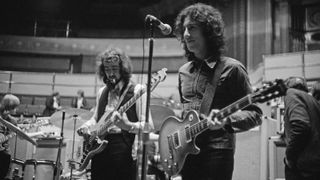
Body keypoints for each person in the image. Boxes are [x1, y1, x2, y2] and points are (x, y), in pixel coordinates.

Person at [174, 3, 262, 180]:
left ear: (208, 31)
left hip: (218, 150)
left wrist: (227, 120)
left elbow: (255, 114)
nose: (186, 34)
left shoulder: (233, 69)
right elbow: (184, 115)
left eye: (191, 28)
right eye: (183, 29)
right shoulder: (183, 71)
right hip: (186, 153)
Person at [77, 47, 154, 180]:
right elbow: (96, 119)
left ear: (123, 69)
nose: (110, 74)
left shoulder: (138, 90)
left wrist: (128, 125)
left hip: (124, 150)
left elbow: (150, 126)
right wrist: (87, 126)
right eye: (107, 69)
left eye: (114, 69)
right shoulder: (102, 92)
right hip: (98, 150)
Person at [283, 77, 320, 180]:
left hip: (302, 167)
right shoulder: (311, 100)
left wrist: (289, 156)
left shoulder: (291, 94)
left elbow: (301, 126)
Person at [0, 94, 20, 179]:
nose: (17, 109)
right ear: (9, 107)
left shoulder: (12, 121)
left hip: (4, 153)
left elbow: (19, 134)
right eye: (15, 107)